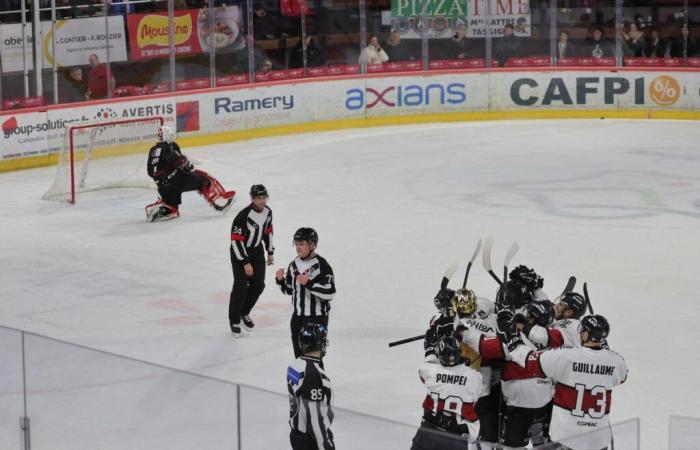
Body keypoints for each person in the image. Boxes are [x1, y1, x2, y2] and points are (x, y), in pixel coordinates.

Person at [502, 314, 628, 450]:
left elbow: (532, 361)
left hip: (567, 439)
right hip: (598, 442)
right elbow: (622, 377)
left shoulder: (567, 357)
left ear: (585, 335)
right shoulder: (616, 361)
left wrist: (515, 343)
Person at [145, 125, 235, 222]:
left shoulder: (152, 150)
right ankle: (218, 204)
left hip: (163, 188)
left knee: (173, 211)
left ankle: (162, 208)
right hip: (177, 181)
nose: (171, 137)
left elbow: (151, 172)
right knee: (203, 181)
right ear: (166, 136)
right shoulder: (170, 148)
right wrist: (187, 165)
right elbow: (185, 166)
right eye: (170, 135)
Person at [411, 335, 483, 450]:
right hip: (457, 435)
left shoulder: (430, 371)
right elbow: (475, 396)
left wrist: (430, 348)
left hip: (430, 429)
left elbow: (425, 369)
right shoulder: (475, 377)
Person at [276, 228, 336, 358]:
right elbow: (290, 290)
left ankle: (315, 379)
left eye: (302, 244)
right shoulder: (293, 265)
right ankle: (304, 379)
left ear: (312, 245)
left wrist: (309, 283)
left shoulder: (321, 265)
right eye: (296, 243)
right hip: (297, 319)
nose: (298, 247)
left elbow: (330, 292)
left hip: (316, 319)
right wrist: (280, 281)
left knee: (313, 361)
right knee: (299, 360)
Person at [229, 184, 274, 336]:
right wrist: (245, 262)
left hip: (257, 251)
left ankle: (244, 312)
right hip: (240, 252)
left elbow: (268, 231)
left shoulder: (268, 212)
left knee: (259, 284)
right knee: (241, 284)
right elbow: (236, 241)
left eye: (264, 197)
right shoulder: (243, 216)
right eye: (258, 198)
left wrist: (270, 251)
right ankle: (234, 319)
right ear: (252, 199)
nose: (262, 201)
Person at [287, 323, 335, 450]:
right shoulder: (313, 375)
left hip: (296, 434)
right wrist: (326, 446)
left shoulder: (295, 365)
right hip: (311, 441)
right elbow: (315, 420)